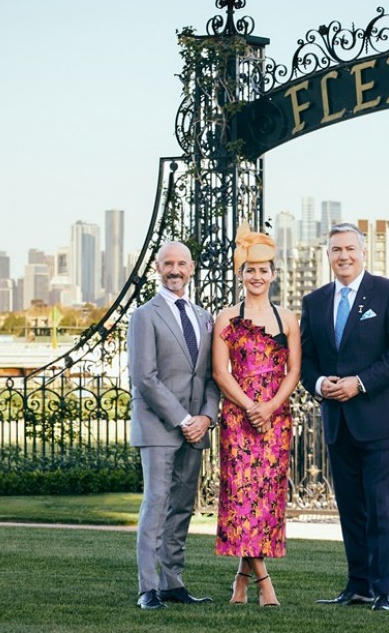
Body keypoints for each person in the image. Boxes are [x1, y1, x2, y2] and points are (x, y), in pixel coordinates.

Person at [299, 222, 389, 612]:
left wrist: (360, 383)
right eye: (336, 250)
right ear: (328, 255)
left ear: (364, 252)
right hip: (337, 421)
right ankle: (358, 586)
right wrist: (320, 384)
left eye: (350, 249)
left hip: (380, 419)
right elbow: (307, 362)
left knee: (381, 507)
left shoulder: (388, 292)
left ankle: (384, 591)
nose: (343, 256)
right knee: (350, 507)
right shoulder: (314, 302)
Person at [127, 240, 220, 610]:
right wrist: (183, 420)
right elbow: (144, 378)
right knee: (157, 503)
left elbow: (213, 375)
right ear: (158, 268)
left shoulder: (203, 317)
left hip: (196, 428)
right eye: (168, 263)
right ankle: (148, 588)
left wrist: (206, 418)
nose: (175, 270)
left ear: (192, 268)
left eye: (181, 263)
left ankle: (172, 583)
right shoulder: (144, 316)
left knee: (182, 507)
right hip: (159, 427)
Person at [211, 224, 301, 607]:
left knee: (266, 500)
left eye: (264, 270)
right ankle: (264, 581)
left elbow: (294, 371)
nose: (257, 276)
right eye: (250, 269)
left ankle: (241, 580)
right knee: (242, 497)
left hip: (275, 418)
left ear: (274, 274)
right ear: (241, 274)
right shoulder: (226, 317)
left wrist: (270, 407)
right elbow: (220, 372)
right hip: (238, 418)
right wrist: (250, 406)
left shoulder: (288, 319)